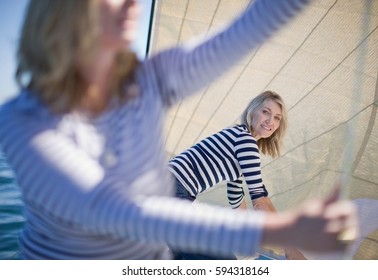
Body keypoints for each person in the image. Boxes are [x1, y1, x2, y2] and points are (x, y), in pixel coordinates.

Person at [0, 0, 358, 260]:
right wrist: (284, 235)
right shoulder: (22, 120)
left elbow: (244, 31)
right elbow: (108, 208)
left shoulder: (149, 80)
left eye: (277, 117)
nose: (132, 5)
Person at [169, 91, 305, 260]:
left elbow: (237, 198)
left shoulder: (239, 140)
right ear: (252, 111)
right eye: (266, 112)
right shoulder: (245, 141)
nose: (271, 121)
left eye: (277, 117)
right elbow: (260, 201)